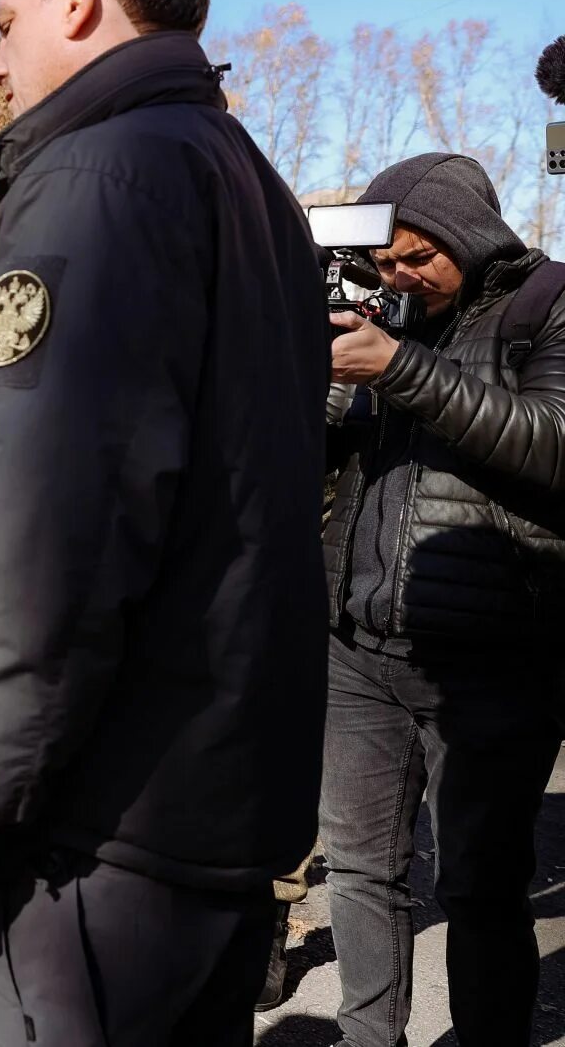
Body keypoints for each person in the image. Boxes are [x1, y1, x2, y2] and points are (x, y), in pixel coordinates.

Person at [0, 0, 329, 1044]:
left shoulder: (93, 184)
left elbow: (44, 551)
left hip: (101, 834)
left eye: (0, 21)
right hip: (209, 808)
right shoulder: (245, 180)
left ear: (74, 0)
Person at [318, 152, 565, 1046]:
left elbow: (553, 443)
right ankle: (366, 1036)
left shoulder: (550, 303)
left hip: (497, 663)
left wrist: (397, 368)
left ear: (470, 232)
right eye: (383, 263)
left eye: (417, 258)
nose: (398, 277)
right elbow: (336, 461)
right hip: (359, 644)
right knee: (357, 869)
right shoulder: (394, 319)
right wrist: (326, 389)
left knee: (480, 883)